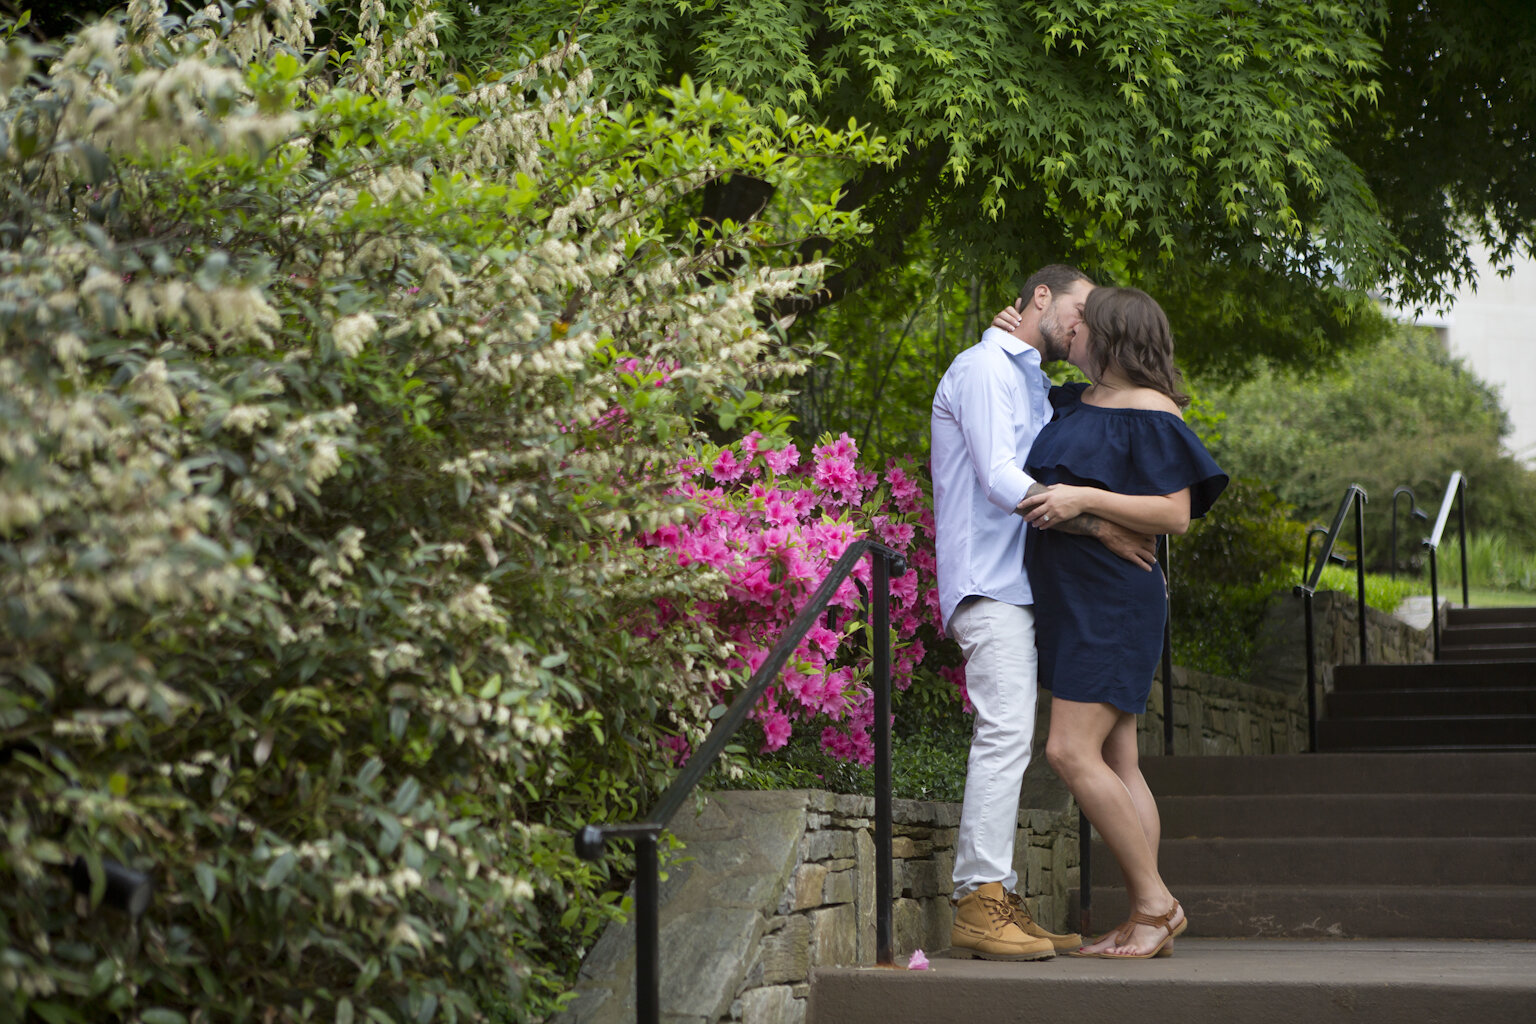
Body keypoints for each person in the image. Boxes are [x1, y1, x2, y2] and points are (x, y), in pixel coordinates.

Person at [931, 265, 1158, 961]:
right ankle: (978, 900)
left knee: (1029, 739)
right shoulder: (982, 368)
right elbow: (1003, 477)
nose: (1086, 321)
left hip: (1031, 586)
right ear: (1038, 297)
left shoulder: (1029, 379)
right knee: (1005, 734)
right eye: (1079, 307)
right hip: (989, 581)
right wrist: (1101, 527)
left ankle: (1003, 894)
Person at [1006, 285, 1228, 959]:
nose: (1072, 328)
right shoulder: (1080, 401)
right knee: (1119, 758)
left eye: (1083, 323)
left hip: (1112, 599)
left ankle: (1158, 904)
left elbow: (1175, 514)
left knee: (1069, 752)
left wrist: (1082, 498)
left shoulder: (1150, 412)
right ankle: (1144, 916)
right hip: (1078, 591)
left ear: (1113, 336)